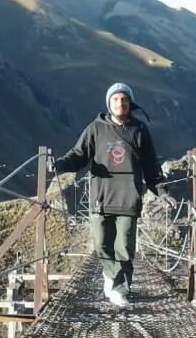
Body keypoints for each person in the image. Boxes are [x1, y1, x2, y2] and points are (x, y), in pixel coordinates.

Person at [53, 83, 175, 307]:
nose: (121, 103)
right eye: (116, 99)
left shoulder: (139, 131)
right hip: (101, 198)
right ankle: (111, 276)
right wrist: (60, 165)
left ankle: (120, 289)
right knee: (102, 245)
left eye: (124, 99)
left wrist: (162, 193)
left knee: (125, 248)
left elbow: (150, 166)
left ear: (130, 103)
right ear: (109, 103)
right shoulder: (96, 128)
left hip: (128, 199)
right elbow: (79, 154)